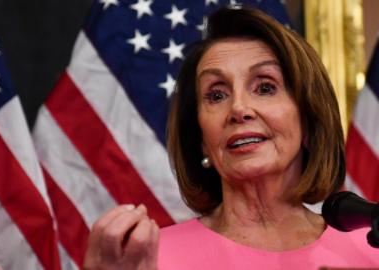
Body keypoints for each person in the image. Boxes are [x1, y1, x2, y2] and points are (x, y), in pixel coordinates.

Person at [83, 6, 379, 270]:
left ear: (310, 121)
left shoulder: (369, 249)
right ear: (200, 138)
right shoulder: (148, 260)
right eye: (216, 94)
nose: (238, 108)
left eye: (265, 87)